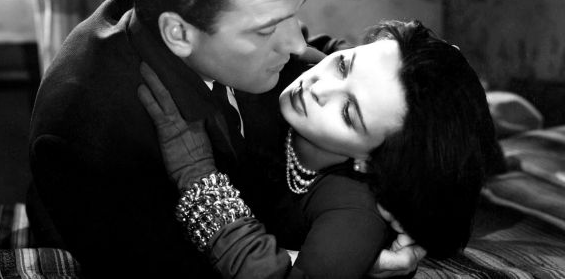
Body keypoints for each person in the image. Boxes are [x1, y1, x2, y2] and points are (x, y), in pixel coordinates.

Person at [26, 0, 423, 278]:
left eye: (295, 10)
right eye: (267, 29)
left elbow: (318, 49)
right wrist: (339, 263)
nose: (294, 43)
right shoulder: (92, 136)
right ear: (179, 33)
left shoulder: (184, 0)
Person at [139, 19, 503, 278]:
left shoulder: (354, 214)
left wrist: (197, 176)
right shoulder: (301, 62)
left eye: (348, 113)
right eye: (343, 67)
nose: (318, 87)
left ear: (368, 160)